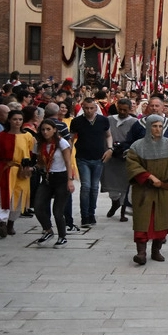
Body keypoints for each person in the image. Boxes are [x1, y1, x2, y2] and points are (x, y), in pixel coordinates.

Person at [125, 114, 168, 265]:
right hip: (144, 190)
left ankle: (156, 250)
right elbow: (132, 164)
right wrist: (148, 176)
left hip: (164, 190)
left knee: (162, 221)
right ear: (148, 127)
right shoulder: (137, 146)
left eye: (160, 126)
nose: (157, 129)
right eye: (154, 126)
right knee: (143, 222)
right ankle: (141, 253)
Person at [0, 109, 32, 238]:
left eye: (20, 119)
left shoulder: (28, 136)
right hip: (4, 168)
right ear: (9, 120)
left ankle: (11, 222)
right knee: (1, 196)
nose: (17, 122)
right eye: (15, 119)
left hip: (21, 170)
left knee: (18, 197)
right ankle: (2, 223)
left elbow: (31, 152)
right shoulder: (1, 136)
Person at [30, 120, 75, 247]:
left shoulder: (61, 143)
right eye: (43, 129)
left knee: (57, 211)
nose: (45, 132)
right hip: (47, 177)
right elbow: (40, 162)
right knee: (38, 206)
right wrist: (32, 168)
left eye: (48, 129)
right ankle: (48, 230)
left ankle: (62, 236)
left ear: (54, 130)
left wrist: (70, 180)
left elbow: (68, 162)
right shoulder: (39, 144)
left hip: (61, 177)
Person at [70, 96, 111, 226]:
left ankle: (92, 213)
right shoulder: (76, 121)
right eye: (86, 108)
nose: (89, 111)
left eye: (91, 108)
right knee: (86, 186)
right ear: (82, 108)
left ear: (95, 108)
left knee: (94, 187)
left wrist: (110, 148)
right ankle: (84, 215)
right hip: (82, 157)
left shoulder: (103, 120)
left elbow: (108, 135)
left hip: (99, 157)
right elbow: (71, 139)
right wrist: (68, 155)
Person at [102, 97, 139, 221]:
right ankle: (115, 202)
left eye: (125, 110)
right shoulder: (109, 120)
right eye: (120, 109)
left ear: (130, 109)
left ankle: (123, 211)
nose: (122, 112)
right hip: (111, 156)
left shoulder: (134, 122)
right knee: (110, 184)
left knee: (125, 186)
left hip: (125, 157)